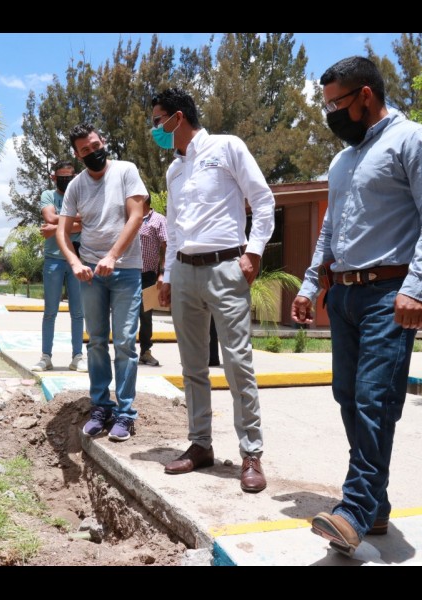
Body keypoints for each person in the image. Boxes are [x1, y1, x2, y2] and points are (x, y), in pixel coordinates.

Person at [291, 56, 422, 557]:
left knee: (374, 400)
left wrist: (418, 287)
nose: (330, 115)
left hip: (390, 293)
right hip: (343, 295)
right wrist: (309, 285)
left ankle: (355, 508)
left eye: (336, 104)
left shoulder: (417, 141)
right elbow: (330, 228)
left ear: (366, 95)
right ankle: (377, 504)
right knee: (348, 396)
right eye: (325, 106)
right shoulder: (342, 162)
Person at [153, 87, 275, 493]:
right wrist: (168, 275)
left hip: (226, 267)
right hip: (185, 272)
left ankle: (251, 454)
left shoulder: (227, 147)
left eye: (158, 122)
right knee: (192, 367)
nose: (156, 130)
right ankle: (200, 444)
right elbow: (174, 228)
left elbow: (263, 200)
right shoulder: (173, 170)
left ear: (178, 118)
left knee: (237, 363)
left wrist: (254, 252)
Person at [56, 122, 149, 442]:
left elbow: (136, 215)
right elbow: (62, 231)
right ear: (77, 155)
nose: (93, 152)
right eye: (85, 150)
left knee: (124, 341)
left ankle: (125, 413)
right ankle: (101, 406)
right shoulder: (76, 186)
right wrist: (75, 262)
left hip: (126, 270)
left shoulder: (126, 171)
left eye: (96, 146)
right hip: (91, 274)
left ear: (103, 141)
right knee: (96, 341)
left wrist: (112, 256)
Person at [31, 160, 87, 373]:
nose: (65, 180)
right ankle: (46, 357)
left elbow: (86, 222)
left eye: (69, 177)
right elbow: (49, 216)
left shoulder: (81, 196)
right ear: (53, 177)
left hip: (77, 260)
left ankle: (77, 356)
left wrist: (54, 228)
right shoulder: (48, 195)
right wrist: (74, 220)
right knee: (50, 312)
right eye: (61, 177)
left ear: (75, 177)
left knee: (78, 313)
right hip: (53, 259)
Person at [137, 195, 168, 367]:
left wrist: (162, 273)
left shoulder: (158, 220)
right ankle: (125, 352)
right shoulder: (129, 217)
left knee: (146, 315)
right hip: (128, 273)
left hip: (148, 275)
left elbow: (166, 247)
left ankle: (145, 351)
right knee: (126, 314)